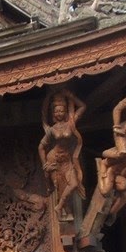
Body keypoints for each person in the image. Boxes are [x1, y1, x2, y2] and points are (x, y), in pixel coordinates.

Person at [38, 89, 86, 217]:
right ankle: (64, 210)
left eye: (61, 110)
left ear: (65, 111)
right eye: (56, 111)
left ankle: (59, 207)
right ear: (53, 113)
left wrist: (70, 95)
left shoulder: (71, 124)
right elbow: (41, 147)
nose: (59, 113)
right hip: (55, 159)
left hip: (67, 160)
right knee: (60, 188)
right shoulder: (52, 130)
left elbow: (82, 107)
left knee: (74, 184)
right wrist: (45, 164)